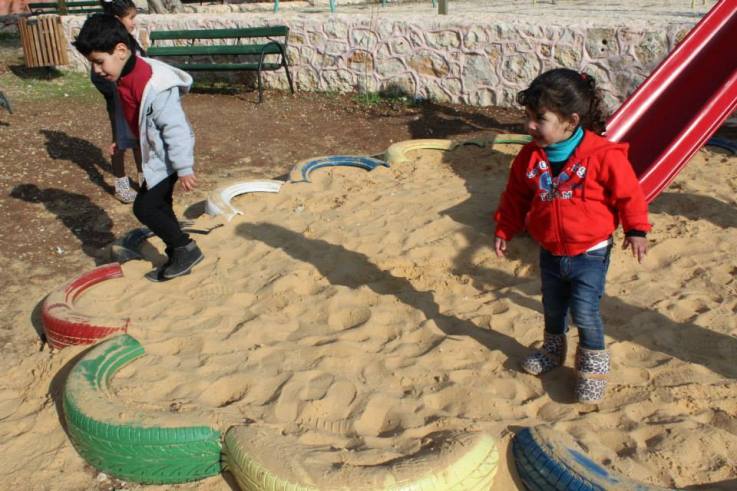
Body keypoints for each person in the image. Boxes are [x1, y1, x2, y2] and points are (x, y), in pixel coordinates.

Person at [493, 68, 651, 404]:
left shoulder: (602, 155)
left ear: (571, 120)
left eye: (540, 118)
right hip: (550, 250)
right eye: (528, 116)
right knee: (552, 308)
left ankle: (593, 366)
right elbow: (515, 196)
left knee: (583, 311)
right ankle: (553, 351)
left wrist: (636, 229)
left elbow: (629, 195)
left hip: (591, 251)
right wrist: (505, 227)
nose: (530, 126)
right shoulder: (529, 157)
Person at [74, 14, 204, 282]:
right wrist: (123, 140)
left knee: (145, 208)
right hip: (154, 153)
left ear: (121, 50)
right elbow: (134, 115)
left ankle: (185, 249)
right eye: (93, 63)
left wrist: (184, 167)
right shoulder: (124, 75)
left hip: (167, 156)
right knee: (160, 205)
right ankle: (177, 249)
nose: (96, 70)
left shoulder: (154, 85)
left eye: (99, 61)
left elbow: (176, 128)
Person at [91, 0, 144, 203]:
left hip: (136, 102)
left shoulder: (129, 40)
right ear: (117, 19)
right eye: (131, 18)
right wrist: (117, 93)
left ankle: (144, 180)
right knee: (119, 143)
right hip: (119, 104)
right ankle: (121, 186)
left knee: (140, 141)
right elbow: (98, 77)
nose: (133, 22)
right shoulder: (105, 44)